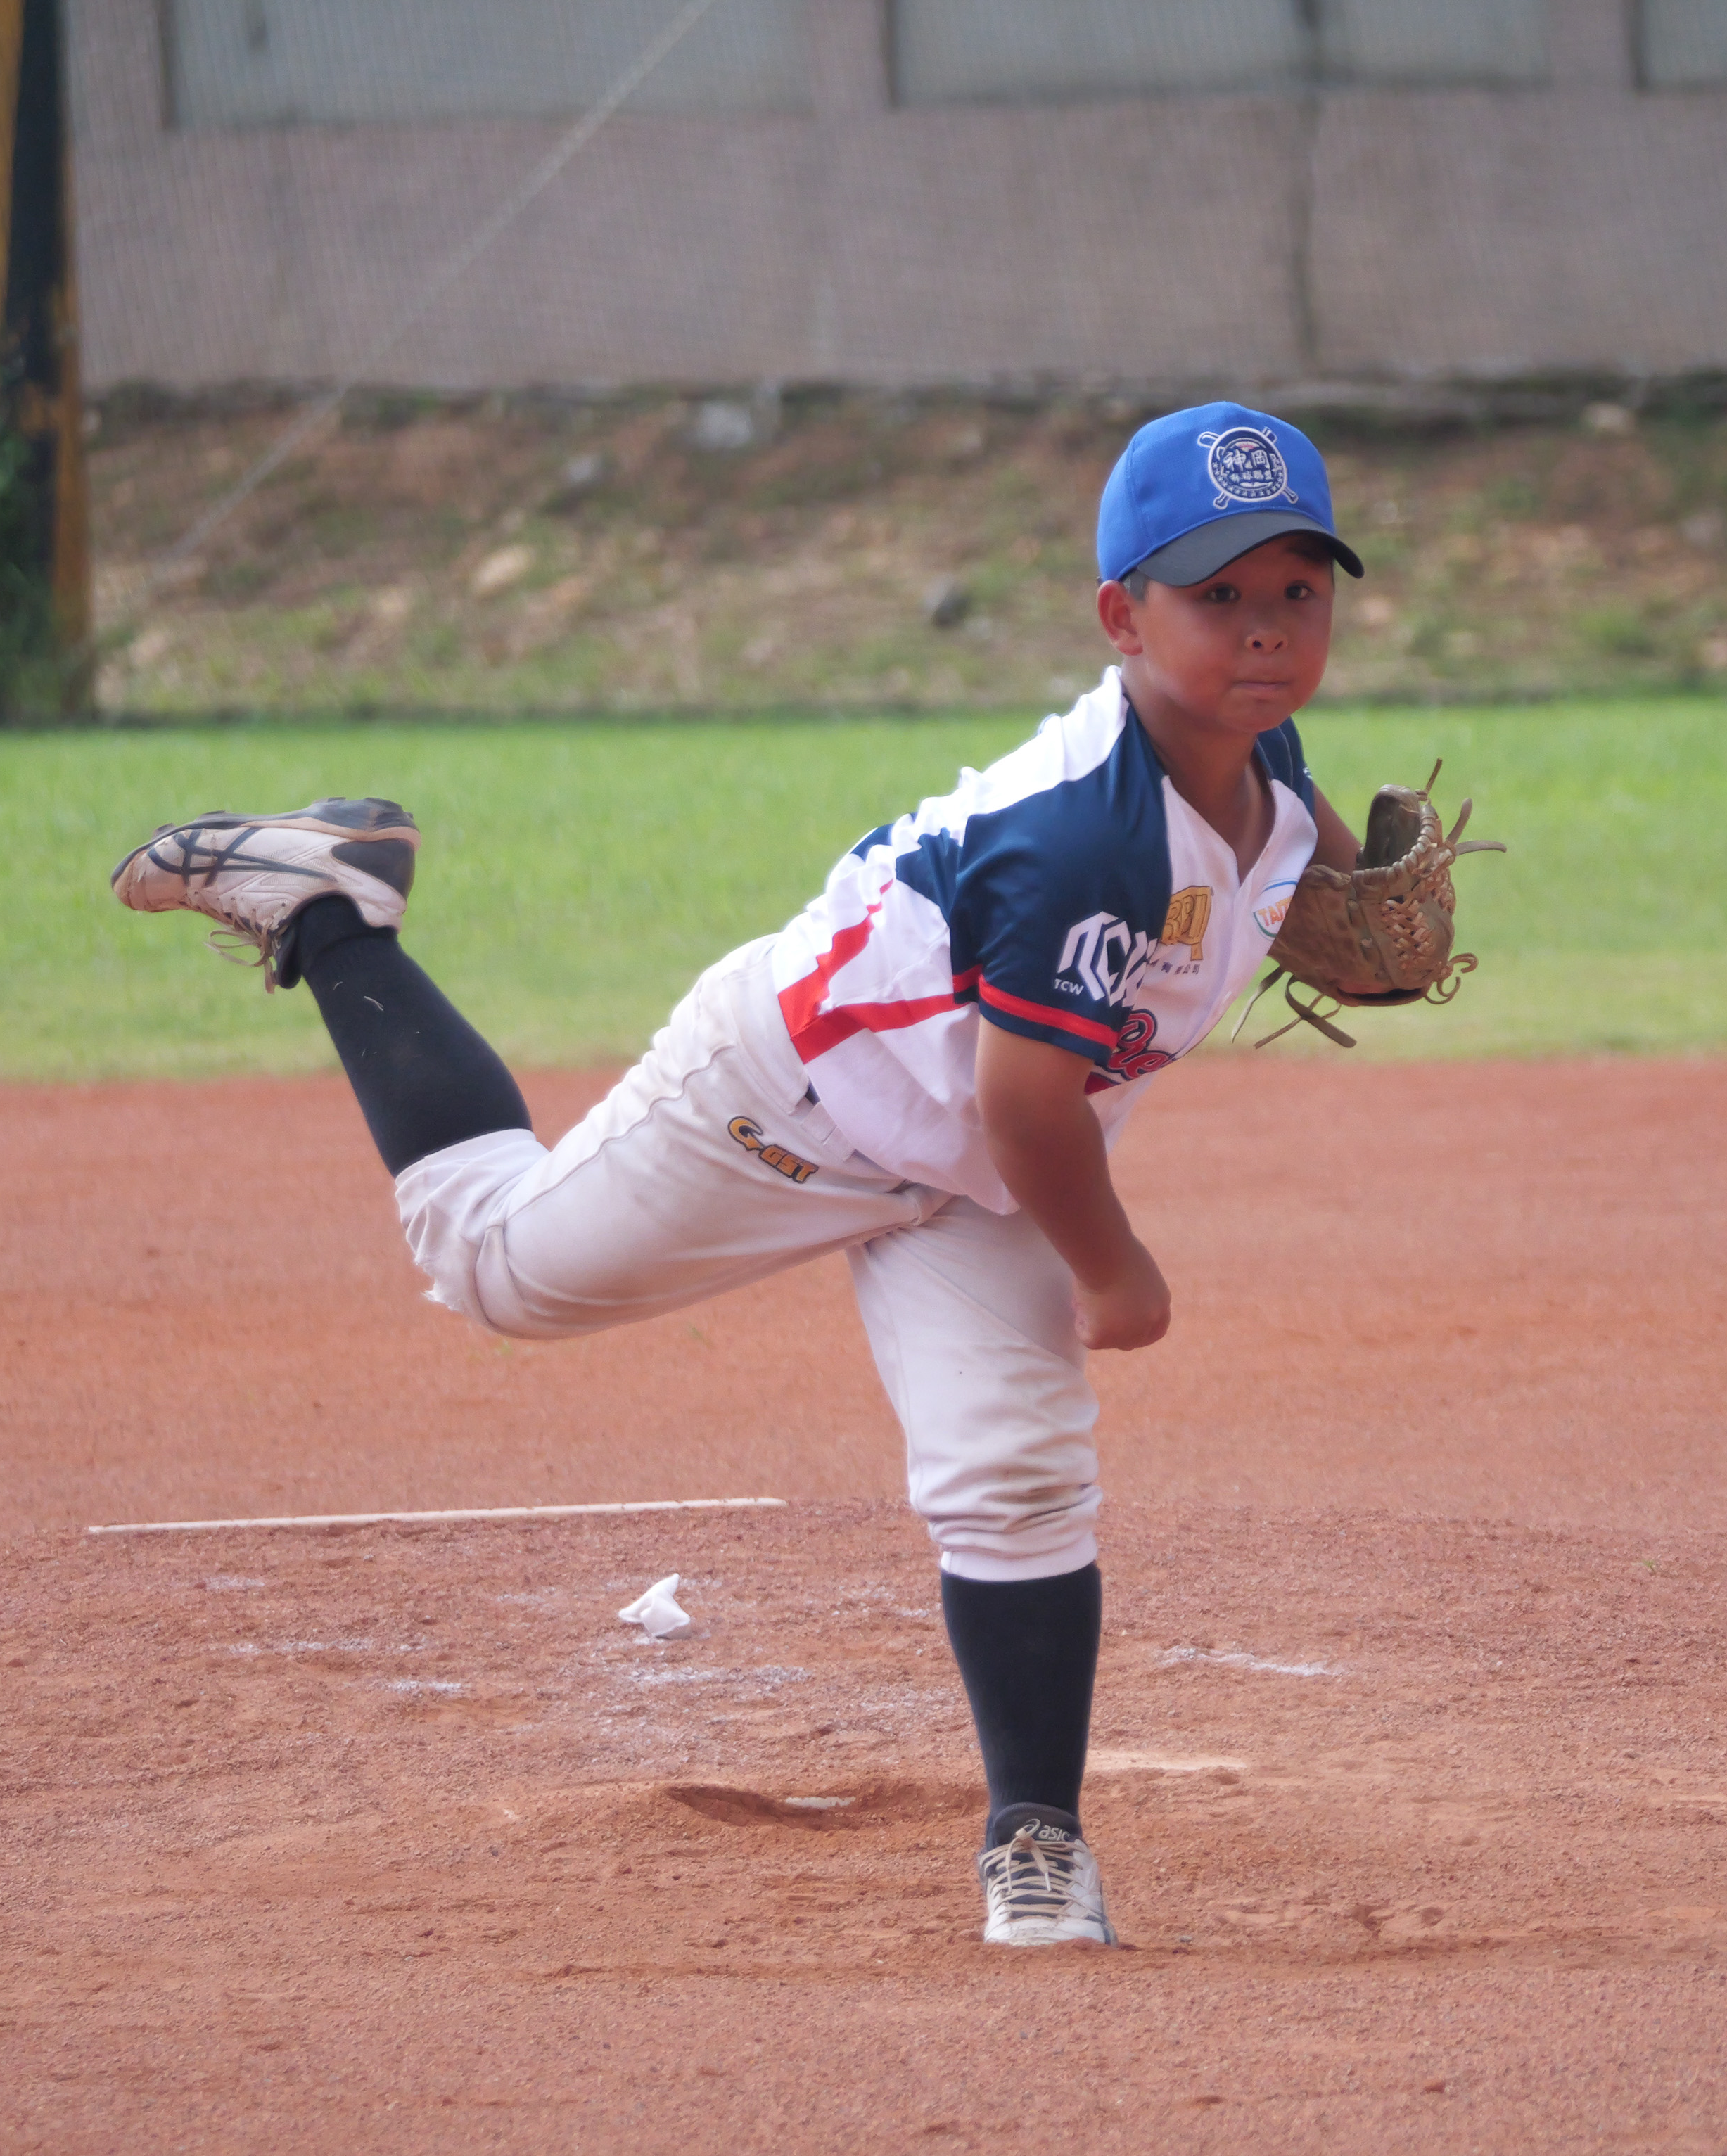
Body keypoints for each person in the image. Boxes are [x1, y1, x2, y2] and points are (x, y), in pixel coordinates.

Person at [112, 403, 1368, 1946]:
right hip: (787, 1103)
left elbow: (1185, 934)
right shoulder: (1078, 837)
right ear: (1119, 616)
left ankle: (1033, 1841)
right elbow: (1030, 1100)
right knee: (493, 1272)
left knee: (1016, 1473)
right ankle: (324, 914)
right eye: (1216, 596)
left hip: (963, 1173)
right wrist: (1116, 1272)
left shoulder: (1267, 781)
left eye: (1295, 592)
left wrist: (1291, 888)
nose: (1262, 633)